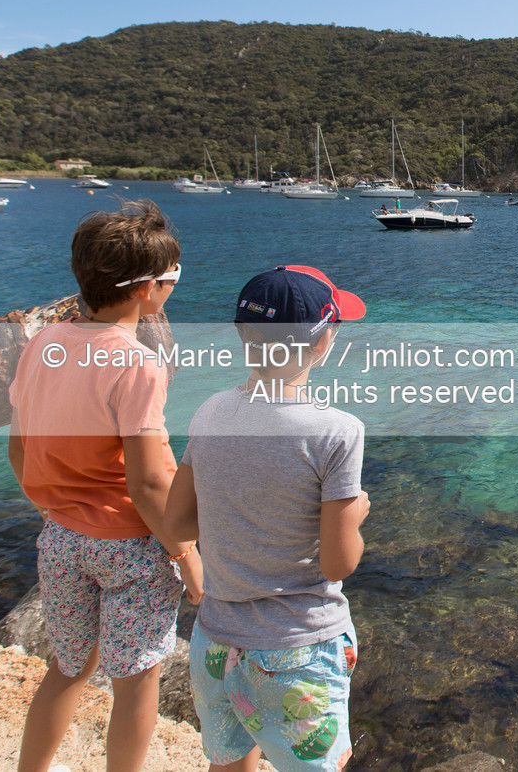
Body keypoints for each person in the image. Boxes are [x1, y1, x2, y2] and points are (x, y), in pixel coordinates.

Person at [7, 200, 202, 772]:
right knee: (136, 686)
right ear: (145, 289)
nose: (172, 287)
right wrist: (186, 554)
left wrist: (57, 509)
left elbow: (19, 449)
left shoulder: (43, 344)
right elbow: (146, 482)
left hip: (62, 538)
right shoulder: (137, 364)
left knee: (68, 668)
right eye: (172, 278)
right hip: (130, 547)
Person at [164, 266, 371, 772]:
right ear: (323, 343)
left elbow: (176, 526)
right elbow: (339, 562)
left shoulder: (210, 412)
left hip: (214, 642)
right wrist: (357, 513)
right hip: (295, 649)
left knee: (230, 763)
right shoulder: (337, 431)